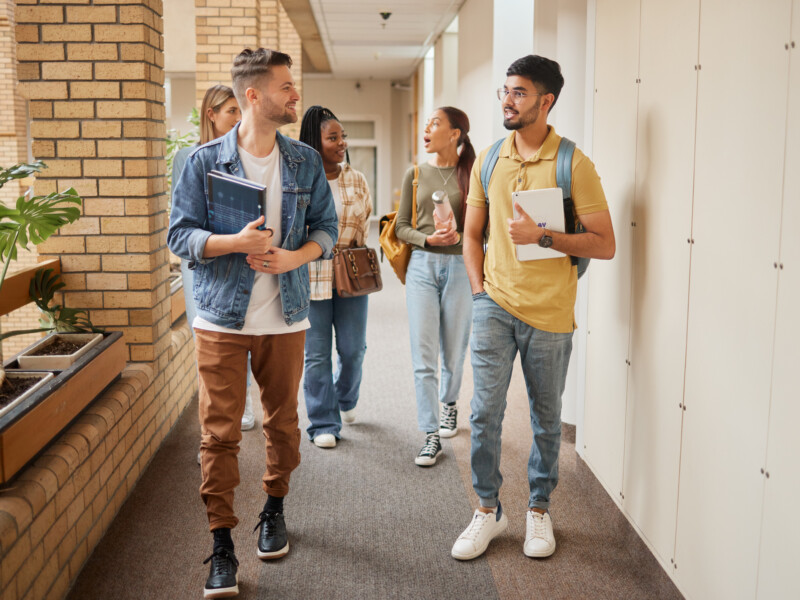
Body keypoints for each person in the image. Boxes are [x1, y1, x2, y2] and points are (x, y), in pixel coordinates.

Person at [167, 48, 338, 599]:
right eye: (286, 87)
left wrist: (295, 256)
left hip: (285, 318)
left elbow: (327, 229)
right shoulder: (202, 162)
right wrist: (231, 244)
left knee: (283, 426)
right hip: (220, 317)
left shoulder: (305, 162)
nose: (295, 96)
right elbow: (179, 237)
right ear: (254, 96)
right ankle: (221, 545)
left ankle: (274, 508)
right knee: (218, 434)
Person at [451, 55, 615, 561]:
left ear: (546, 101)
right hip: (494, 305)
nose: (507, 99)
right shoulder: (490, 159)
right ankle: (486, 510)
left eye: (519, 92)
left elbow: (604, 243)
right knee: (484, 414)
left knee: (546, 419)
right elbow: (471, 236)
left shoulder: (574, 163)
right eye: (505, 90)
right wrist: (479, 292)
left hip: (550, 313)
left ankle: (539, 508)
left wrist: (543, 236)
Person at [173, 85, 258, 437]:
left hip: (243, 258)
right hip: (202, 263)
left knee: (244, 328)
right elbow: (182, 221)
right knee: (207, 339)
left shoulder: (247, 155)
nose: (239, 119)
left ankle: (245, 402)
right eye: (231, 111)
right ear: (212, 114)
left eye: (241, 111)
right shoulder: (188, 158)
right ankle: (211, 433)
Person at [395, 107, 476, 467]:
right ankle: (430, 435)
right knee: (423, 354)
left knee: (454, 350)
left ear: (455, 133)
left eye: (434, 123)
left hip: (461, 266)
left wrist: (461, 236)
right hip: (423, 267)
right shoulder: (416, 174)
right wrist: (428, 240)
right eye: (426, 123)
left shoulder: (472, 175)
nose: (426, 128)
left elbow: (483, 229)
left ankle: (450, 404)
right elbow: (400, 227)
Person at [299, 106, 372, 449]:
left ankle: (345, 398)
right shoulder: (300, 180)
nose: (342, 143)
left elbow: (365, 223)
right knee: (316, 354)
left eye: (343, 136)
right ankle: (323, 422)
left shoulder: (356, 179)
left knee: (353, 349)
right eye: (333, 137)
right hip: (311, 274)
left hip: (352, 273)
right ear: (316, 141)